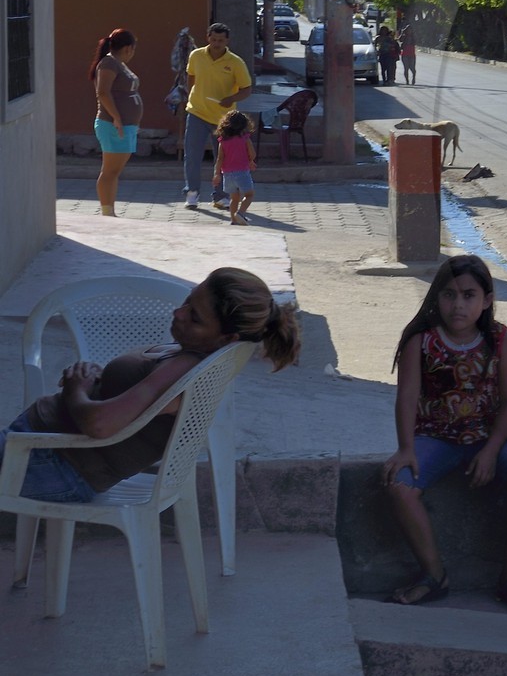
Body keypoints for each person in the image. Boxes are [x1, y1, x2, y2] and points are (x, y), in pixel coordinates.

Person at [0, 267, 300, 503]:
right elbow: (129, 401)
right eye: (187, 301)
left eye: (194, 317)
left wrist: (76, 388)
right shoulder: (183, 352)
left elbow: (100, 425)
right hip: (40, 452)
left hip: (53, 463)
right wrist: (93, 378)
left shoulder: (184, 369)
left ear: (226, 339)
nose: (178, 313)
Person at [381, 255, 507, 615]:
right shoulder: (421, 341)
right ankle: (434, 575)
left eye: (469, 295)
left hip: (490, 434)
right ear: (436, 297)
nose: (458, 304)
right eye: (449, 294)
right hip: (434, 436)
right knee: (400, 486)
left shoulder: (500, 339)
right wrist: (406, 448)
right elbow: (407, 397)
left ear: (486, 300)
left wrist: (491, 451)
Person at [183, 23, 251, 211]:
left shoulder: (236, 62)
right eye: (213, 39)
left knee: (223, 158)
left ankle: (220, 196)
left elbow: (246, 89)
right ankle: (192, 193)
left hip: (223, 119)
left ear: (227, 41)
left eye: (221, 40)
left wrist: (232, 98)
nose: (216, 43)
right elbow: (191, 76)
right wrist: (192, 96)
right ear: (208, 38)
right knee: (192, 155)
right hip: (197, 112)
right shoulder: (196, 56)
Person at [90, 28, 142, 217]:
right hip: (113, 125)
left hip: (124, 125)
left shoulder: (118, 63)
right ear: (128, 48)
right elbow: (103, 92)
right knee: (110, 171)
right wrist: (117, 117)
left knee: (114, 171)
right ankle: (107, 212)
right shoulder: (109, 63)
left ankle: (110, 210)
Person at [211, 110, 257, 226]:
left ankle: (233, 220)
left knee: (234, 198)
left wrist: (217, 174)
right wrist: (251, 160)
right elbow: (252, 154)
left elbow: (219, 159)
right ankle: (241, 213)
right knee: (249, 195)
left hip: (227, 174)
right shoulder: (245, 138)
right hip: (242, 172)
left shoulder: (223, 141)